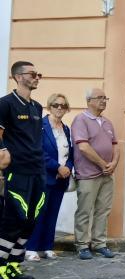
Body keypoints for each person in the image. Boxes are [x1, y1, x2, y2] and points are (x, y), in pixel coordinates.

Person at [0, 60, 42, 279]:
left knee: (29, 221)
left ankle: (13, 264)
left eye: (38, 74)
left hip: (37, 171)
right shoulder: (5, 104)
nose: (37, 77)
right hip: (18, 172)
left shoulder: (36, 107)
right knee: (13, 220)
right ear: (18, 77)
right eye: (33, 74)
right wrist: (3, 151)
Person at [70, 88, 120, 260]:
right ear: (89, 100)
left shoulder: (107, 122)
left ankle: (99, 243)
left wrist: (113, 163)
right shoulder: (80, 120)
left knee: (103, 210)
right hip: (87, 174)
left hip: (107, 174)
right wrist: (103, 164)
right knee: (85, 210)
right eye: (99, 98)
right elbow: (83, 146)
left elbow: (115, 145)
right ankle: (82, 245)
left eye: (105, 97)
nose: (103, 100)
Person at [26, 93, 73, 261]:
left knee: (53, 213)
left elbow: (71, 153)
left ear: (67, 109)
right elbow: (39, 151)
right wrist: (57, 167)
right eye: (55, 105)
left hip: (61, 179)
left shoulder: (66, 129)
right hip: (44, 176)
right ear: (49, 107)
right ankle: (31, 248)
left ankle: (47, 246)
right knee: (39, 212)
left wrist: (67, 167)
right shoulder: (41, 126)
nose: (59, 108)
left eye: (63, 105)